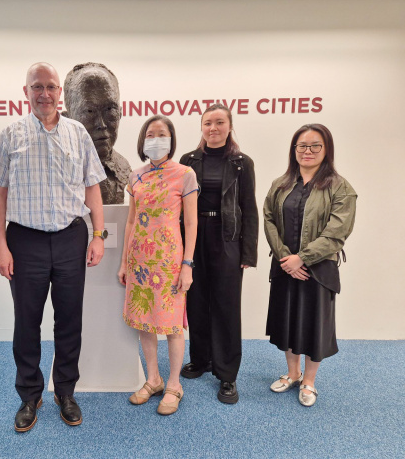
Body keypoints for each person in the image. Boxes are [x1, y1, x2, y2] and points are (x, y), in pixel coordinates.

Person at [0, 62, 106, 432]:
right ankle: (29, 394)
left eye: (51, 86)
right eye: (37, 86)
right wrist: (1, 246)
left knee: (69, 320)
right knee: (27, 322)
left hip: (71, 237)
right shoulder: (11, 135)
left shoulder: (78, 133)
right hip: (25, 241)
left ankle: (65, 391)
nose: (45, 93)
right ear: (26, 92)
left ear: (60, 93)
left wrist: (98, 236)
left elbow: (92, 187)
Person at [264, 124, 356, 407]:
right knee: (287, 322)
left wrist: (302, 258)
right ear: (294, 150)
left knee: (314, 325)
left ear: (326, 149)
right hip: (284, 266)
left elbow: (337, 232)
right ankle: (293, 373)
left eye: (315, 145)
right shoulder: (281, 184)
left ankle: (309, 381)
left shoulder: (340, 187)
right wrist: (286, 259)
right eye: (302, 145)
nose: (308, 151)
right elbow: (268, 219)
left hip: (319, 270)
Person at [118, 115, 198, 415]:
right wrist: (124, 262)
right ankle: (153, 379)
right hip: (139, 261)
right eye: (150, 134)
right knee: (144, 321)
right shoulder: (135, 176)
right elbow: (130, 222)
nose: (155, 139)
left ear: (171, 139)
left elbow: (191, 223)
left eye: (161, 134)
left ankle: (174, 384)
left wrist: (187, 264)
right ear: (143, 140)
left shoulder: (185, 174)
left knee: (173, 324)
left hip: (169, 261)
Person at [178, 103, 258, 404]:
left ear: (229, 126)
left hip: (228, 238)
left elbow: (249, 208)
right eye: (208, 123)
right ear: (202, 127)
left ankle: (227, 374)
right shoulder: (188, 161)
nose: (213, 128)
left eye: (220, 122)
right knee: (196, 300)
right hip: (194, 237)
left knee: (226, 305)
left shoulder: (242, 163)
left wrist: (248, 253)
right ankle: (200, 359)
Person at [62, 62, 131, 204]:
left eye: (109, 109)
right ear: (67, 119)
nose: (102, 124)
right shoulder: (58, 170)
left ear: (120, 113)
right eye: (89, 111)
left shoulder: (126, 170)